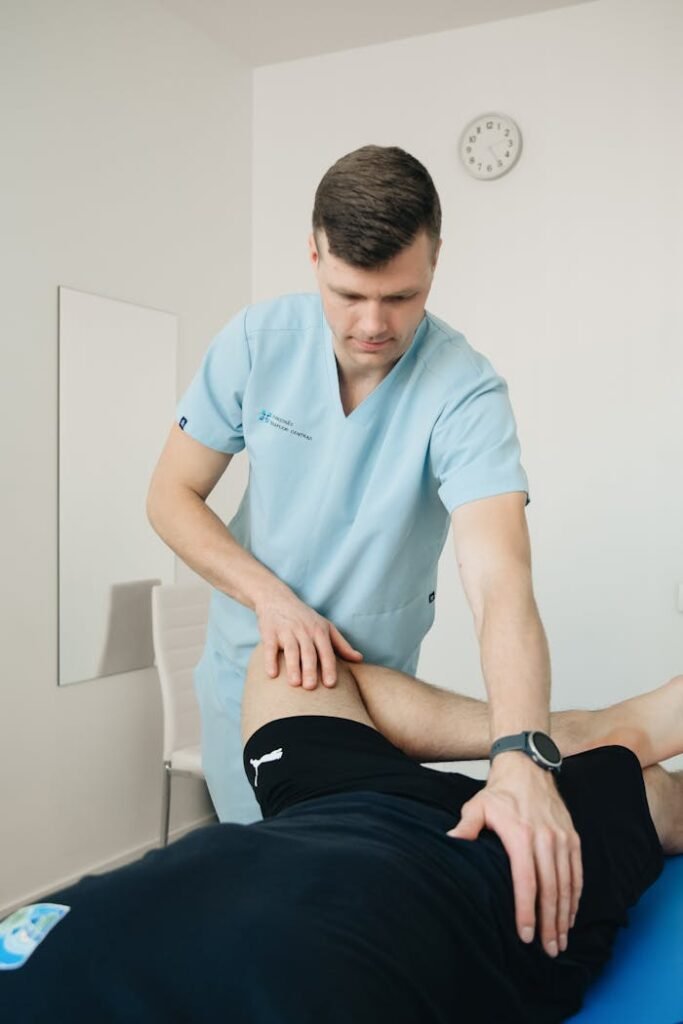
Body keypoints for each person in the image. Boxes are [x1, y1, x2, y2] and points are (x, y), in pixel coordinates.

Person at [147, 144, 573, 955]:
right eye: (348, 294)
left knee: (337, 900)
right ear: (314, 255)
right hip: (252, 674)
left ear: (434, 264)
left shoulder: (463, 391)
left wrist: (519, 756)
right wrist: (272, 600)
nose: (372, 324)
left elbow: (500, 582)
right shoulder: (255, 342)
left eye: (400, 297)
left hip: (374, 697)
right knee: (268, 891)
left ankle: (580, 740)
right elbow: (169, 496)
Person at [1, 651, 681, 1023]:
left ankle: (566, 734)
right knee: (643, 786)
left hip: (323, 811)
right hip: (491, 870)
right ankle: (601, 746)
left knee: (290, 667)